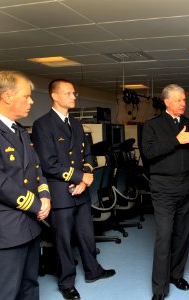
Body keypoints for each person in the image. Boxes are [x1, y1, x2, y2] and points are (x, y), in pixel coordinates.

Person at [32, 79, 115, 300]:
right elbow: (48, 163)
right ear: (55, 96)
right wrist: (80, 177)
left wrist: (84, 181)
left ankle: (93, 270)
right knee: (63, 240)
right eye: (68, 93)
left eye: (74, 93)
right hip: (60, 193)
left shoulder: (77, 124)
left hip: (81, 191)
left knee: (87, 235)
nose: (73, 97)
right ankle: (66, 282)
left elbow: (88, 155)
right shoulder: (42, 125)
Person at [0, 71, 51, 300]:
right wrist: (37, 205)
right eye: (27, 96)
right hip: (5, 229)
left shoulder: (19, 130)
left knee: (29, 286)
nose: (32, 101)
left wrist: (45, 196)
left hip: (30, 225)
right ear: (7, 96)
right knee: (3, 292)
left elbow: (36, 168)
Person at [141, 84, 189, 300]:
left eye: (184, 100)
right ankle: (159, 288)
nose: (183, 104)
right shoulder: (152, 126)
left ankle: (176, 274)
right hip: (163, 187)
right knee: (164, 235)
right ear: (167, 102)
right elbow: (149, 154)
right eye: (179, 100)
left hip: (188, 185)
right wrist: (176, 141)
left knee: (183, 232)